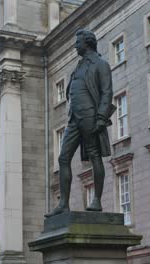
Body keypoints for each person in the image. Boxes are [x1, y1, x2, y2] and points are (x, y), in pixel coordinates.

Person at [45, 29, 115, 218]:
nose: (75, 45)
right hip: (75, 118)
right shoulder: (79, 66)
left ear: (88, 43)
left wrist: (101, 117)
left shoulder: (101, 64)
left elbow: (107, 92)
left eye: (78, 42)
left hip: (91, 117)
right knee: (63, 158)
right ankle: (63, 204)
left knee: (94, 157)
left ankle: (97, 200)